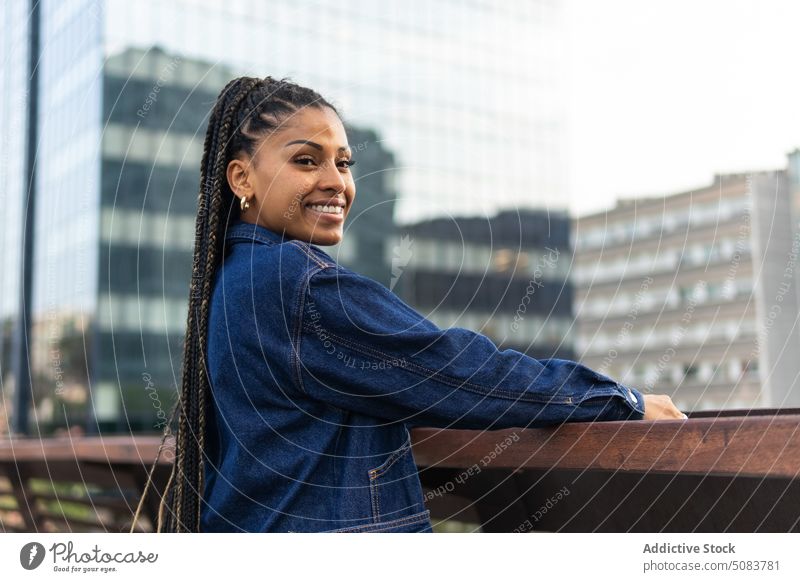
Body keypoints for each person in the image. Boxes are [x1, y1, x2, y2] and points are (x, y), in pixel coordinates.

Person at [133, 76, 685, 534]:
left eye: (344, 164)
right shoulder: (296, 283)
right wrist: (622, 402)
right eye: (307, 161)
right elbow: (458, 373)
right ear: (241, 178)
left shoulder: (233, 278)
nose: (336, 183)